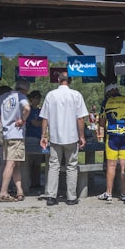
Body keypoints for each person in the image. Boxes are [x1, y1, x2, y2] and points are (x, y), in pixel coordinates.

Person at [39, 71, 88, 206]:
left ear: (58, 80)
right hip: (72, 136)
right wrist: (82, 136)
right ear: (70, 81)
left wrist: (43, 135)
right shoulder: (76, 95)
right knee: (71, 166)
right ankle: (71, 197)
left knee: (53, 166)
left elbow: (45, 117)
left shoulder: (51, 95)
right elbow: (80, 118)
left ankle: (51, 196)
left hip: (55, 136)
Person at [98, 83, 125, 202]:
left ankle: (109, 193)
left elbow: (101, 122)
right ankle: (124, 193)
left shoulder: (106, 102)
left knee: (111, 165)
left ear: (109, 92)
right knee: (124, 166)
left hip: (112, 136)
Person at [0, 80, 31, 202]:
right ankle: (3, 192)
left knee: (16, 163)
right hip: (16, 133)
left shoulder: (5, 96)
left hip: (6, 133)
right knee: (11, 163)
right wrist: (23, 119)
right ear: (25, 90)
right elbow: (27, 108)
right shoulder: (21, 97)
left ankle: (20, 191)